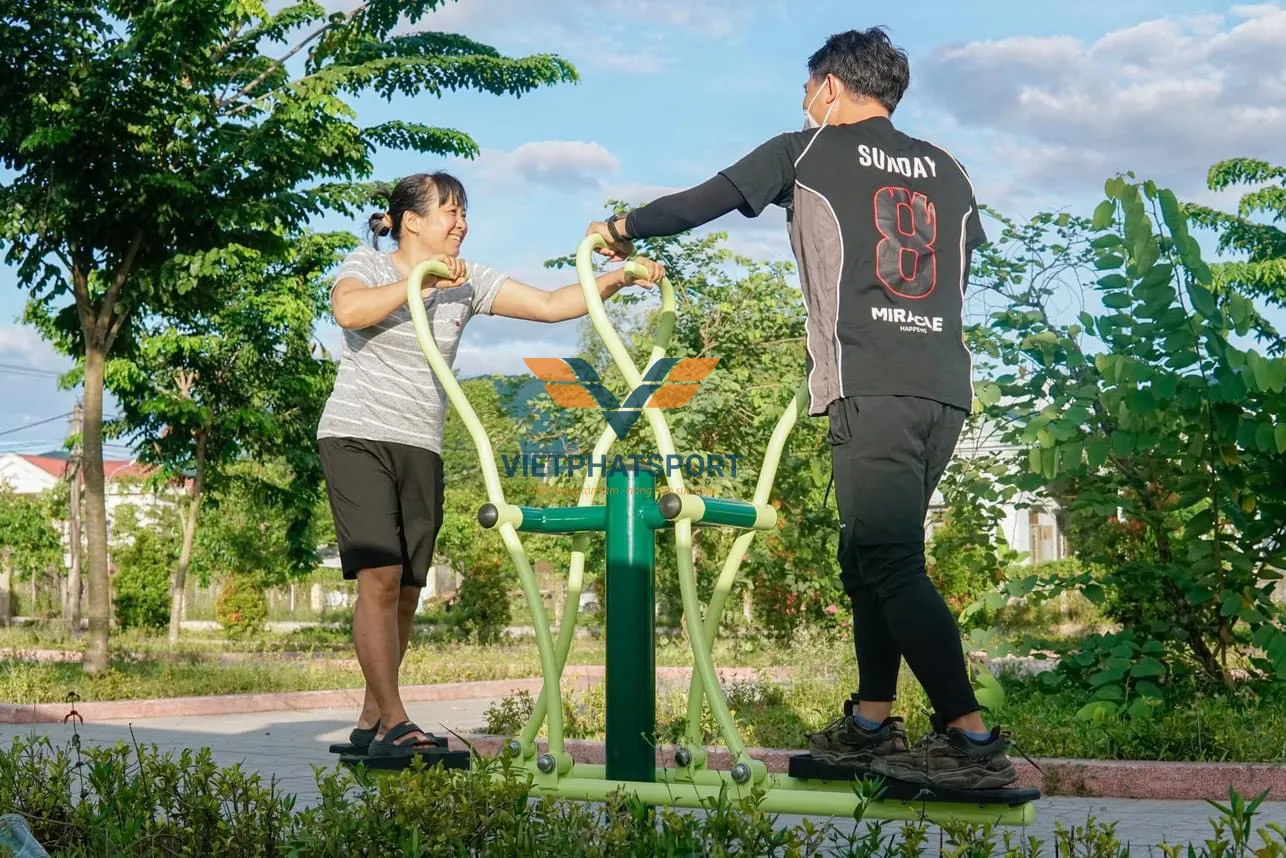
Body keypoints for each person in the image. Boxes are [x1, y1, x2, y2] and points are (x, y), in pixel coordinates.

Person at [583, 28, 1017, 790]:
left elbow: (705, 200)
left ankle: (969, 737)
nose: (805, 102)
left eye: (808, 90)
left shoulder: (806, 149)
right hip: (944, 386)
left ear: (831, 88)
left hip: (870, 382)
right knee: (866, 555)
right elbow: (957, 268)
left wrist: (622, 228)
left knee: (889, 560)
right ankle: (871, 724)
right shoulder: (949, 169)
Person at [318, 171, 663, 758]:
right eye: (450, 212)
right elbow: (348, 311)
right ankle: (396, 721)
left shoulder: (468, 279)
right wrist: (420, 283)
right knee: (379, 577)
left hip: (420, 443)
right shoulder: (369, 266)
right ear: (411, 221)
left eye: (464, 212)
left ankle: (371, 720)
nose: (462, 223)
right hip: (358, 435)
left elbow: (552, 305)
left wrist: (619, 277)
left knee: (406, 590)